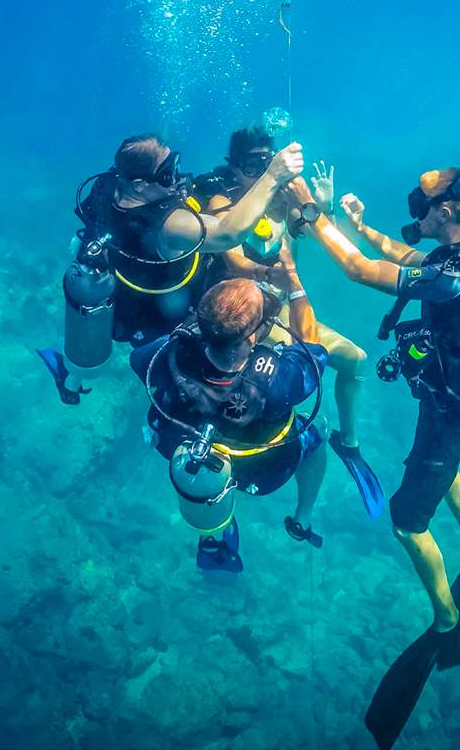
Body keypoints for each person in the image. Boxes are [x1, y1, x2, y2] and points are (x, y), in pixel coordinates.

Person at [295, 166, 460, 750]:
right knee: (446, 468)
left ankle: (446, 619)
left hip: (453, 414)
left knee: (406, 520)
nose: (415, 205)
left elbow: (365, 271)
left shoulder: (451, 279)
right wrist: (357, 224)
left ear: (444, 209)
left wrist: (315, 219)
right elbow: (397, 255)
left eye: (423, 200)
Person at [195, 112, 383, 518]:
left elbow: (313, 232)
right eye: (250, 166)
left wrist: (322, 205)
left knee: (357, 360)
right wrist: (272, 273)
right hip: (248, 325)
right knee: (268, 418)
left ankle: (348, 443)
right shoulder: (223, 201)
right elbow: (231, 256)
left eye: (265, 164)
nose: (259, 173)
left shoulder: (281, 197)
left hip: (284, 312)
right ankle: (222, 498)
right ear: (233, 167)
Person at [38, 132, 304, 404]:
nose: (176, 177)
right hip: (167, 311)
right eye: (167, 174)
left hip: (126, 300)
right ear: (140, 185)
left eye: (173, 164)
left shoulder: (109, 186)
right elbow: (228, 234)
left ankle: (71, 381)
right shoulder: (167, 225)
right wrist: (272, 175)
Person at [129, 241, 328, 574]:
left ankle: (215, 532)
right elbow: (313, 348)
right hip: (260, 469)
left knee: (205, 481)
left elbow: (139, 362)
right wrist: (294, 285)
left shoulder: (173, 350)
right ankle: (302, 517)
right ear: (253, 337)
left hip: (181, 446)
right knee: (318, 428)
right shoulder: (276, 383)